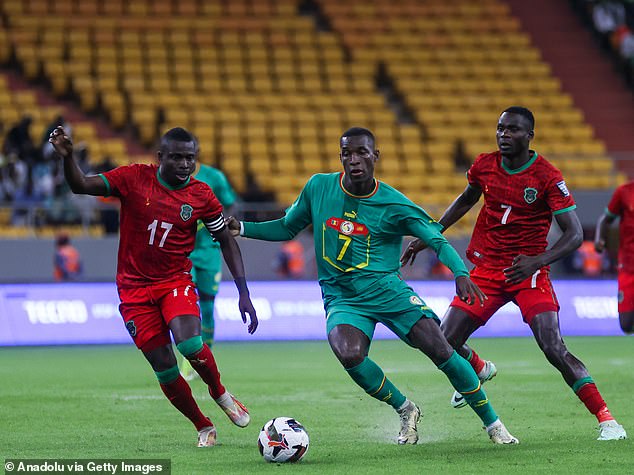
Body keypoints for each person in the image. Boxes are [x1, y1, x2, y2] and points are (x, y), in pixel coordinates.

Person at [227, 127, 518, 445]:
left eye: (361, 152)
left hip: (388, 291)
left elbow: (434, 237)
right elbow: (286, 226)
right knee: (349, 353)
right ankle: (406, 409)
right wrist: (242, 227)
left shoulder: (393, 203)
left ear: (374, 156)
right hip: (342, 296)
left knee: (440, 350)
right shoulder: (318, 187)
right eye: (347, 153)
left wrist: (461, 272)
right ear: (340, 156)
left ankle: (493, 425)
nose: (354, 159)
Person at [401, 106, 627, 441]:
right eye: (501, 128)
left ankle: (608, 420)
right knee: (443, 341)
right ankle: (478, 367)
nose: (504, 135)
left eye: (513, 130)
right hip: (488, 269)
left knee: (552, 346)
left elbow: (575, 235)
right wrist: (430, 236)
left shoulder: (547, 176)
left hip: (529, 273)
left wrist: (538, 260)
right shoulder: (484, 165)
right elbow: (465, 201)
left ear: (529, 136)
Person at [49, 126, 258, 447]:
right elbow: (80, 184)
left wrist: (244, 292)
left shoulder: (202, 195)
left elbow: (226, 241)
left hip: (174, 281)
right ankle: (203, 426)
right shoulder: (133, 178)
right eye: (176, 157)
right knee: (164, 366)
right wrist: (68, 157)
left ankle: (220, 393)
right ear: (160, 157)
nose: (184, 164)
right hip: (133, 291)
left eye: (190, 158)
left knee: (189, 344)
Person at [180, 163, 237, 381]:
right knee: (187, 304)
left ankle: (204, 358)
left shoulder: (214, 177)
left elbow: (231, 204)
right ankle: (187, 360)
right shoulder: (172, 179)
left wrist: (219, 226)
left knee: (207, 308)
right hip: (184, 251)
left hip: (210, 252)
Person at [595, 179, 634, 334]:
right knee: (626, 324)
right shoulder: (624, 191)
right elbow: (605, 219)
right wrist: (599, 239)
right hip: (628, 265)